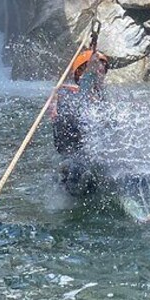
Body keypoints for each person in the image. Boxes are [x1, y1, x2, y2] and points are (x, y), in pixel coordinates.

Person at [51, 49, 109, 196]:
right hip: (70, 143)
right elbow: (84, 84)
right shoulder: (67, 92)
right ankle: (72, 175)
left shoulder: (102, 97)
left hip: (87, 148)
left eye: (103, 68)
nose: (101, 70)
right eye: (98, 66)